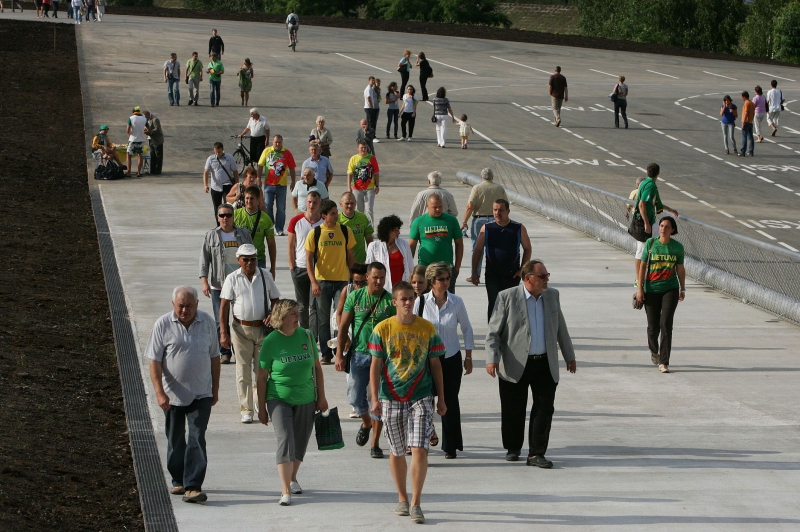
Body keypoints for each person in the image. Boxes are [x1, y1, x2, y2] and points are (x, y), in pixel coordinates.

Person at [368, 281, 446, 524]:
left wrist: (441, 397)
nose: (408, 302)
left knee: (420, 448)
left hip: (421, 396)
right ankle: (402, 497)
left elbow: (435, 364)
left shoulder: (428, 329)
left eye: (411, 298)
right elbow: (375, 365)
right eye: (403, 298)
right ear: (394, 302)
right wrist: (375, 398)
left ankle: (416, 502)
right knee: (397, 449)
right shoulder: (382, 329)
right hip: (391, 396)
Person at [486, 260, 577, 467]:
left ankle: (536, 453)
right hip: (516, 362)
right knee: (513, 409)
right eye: (542, 276)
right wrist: (492, 359)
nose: (546, 280)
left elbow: (560, 327)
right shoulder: (507, 297)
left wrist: (569, 356)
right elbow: (493, 332)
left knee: (544, 409)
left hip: (545, 362)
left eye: (547, 275)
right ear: (528, 279)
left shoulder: (552, 296)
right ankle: (513, 447)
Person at [145, 286, 220, 504]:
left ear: (197, 304)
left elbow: (215, 357)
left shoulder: (206, 323)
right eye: (180, 306)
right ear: (173, 305)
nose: (184, 310)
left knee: (197, 437)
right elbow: (154, 361)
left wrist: (215, 390)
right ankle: (178, 478)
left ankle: (193, 486)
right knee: (175, 440)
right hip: (172, 396)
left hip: (201, 393)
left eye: (189, 306)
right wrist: (159, 392)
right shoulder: (163, 324)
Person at [257, 299, 328, 506]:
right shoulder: (270, 341)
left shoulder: (306, 335)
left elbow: (317, 368)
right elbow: (261, 377)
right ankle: (285, 490)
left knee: (301, 441)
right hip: (278, 397)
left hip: (306, 397)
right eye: (293, 314)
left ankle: (293, 477)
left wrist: (321, 397)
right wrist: (261, 408)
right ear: (281, 318)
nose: (297, 317)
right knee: (285, 438)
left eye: (298, 312)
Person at [335, 262, 395, 458]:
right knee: (354, 396)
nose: (379, 281)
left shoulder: (389, 301)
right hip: (359, 354)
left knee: (378, 400)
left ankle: (375, 444)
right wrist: (339, 354)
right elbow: (343, 326)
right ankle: (367, 422)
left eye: (382, 278)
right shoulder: (355, 297)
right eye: (375, 277)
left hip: (382, 358)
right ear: (367, 277)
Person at [416, 263, 474, 459]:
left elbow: (467, 330)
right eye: (441, 279)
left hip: (450, 358)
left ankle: (451, 446)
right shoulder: (421, 302)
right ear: (432, 281)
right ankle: (422, 441)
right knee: (424, 401)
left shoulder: (456, 302)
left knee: (449, 400)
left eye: (448, 278)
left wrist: (469, 357)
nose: (446, 282)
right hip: (426, 359)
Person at [219, 244, 280, 423]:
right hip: (240, 330)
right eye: (245, 259)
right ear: (239, 260)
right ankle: (246, 409)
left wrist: (272, 314)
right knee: (243, 370)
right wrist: (223, 333)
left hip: (262, 330)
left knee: (261, 370)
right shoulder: (232, 278)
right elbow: (223, 306)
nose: (249, 262)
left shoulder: (265, 275)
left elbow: (275, 299)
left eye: (252, 259)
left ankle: (259, 404)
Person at [200, 203, 254, 364]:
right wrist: (204, 281)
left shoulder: (243, 234)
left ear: (233, 217)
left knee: (241, 317)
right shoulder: (211, 236)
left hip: (240, 283)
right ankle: (224, 351)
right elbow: (204, 259)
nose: (225, 218)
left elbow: (252, 257)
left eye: (228, 215)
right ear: (217, 217)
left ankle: (241, 350)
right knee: (220, 320)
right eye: (222, 215)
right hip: (219, 284)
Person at [305, 199, 356, 364]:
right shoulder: (315, 233)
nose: (336, 216)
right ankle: (326, 353)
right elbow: (308, 259)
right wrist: (313, 282)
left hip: (342, 281)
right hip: (322, 281)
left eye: (336, 213)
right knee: (323, 319)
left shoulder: (345, 231)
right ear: (324, 215)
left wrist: (354, 278)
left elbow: (350, 256)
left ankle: (339, 349)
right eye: (333, 213)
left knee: (339, 317)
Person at [635, 216, 686, 374]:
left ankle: (664, 362)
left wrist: (682, 288)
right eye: (661, 225)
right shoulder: (651, 244)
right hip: (651, 289)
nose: (663, 229)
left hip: (670, 288)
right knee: (653, 327)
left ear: (672, 230)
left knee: (666, 325)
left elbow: (680, 269)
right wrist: (640, 288)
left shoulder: (677, 247)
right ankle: (654, 351)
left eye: (667, 227)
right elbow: (643, 266)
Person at [467, 199, 532, 321]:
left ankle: (509, 334)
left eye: (501, 210)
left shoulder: (518, 228)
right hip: (492, 275)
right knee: (494, 304)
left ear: (508, 211)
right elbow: (477, 251)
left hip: (512, 275)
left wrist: (522, 269)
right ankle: (493, 335)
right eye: (495, 210)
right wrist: (475, 272)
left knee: (511, 306)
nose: (497, 213)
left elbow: (527, 249)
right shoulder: (486, 228)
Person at [409, 194, 463, 294]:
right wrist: (409, 267)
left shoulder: (451, 220)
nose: (438, 209)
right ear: (427, 206)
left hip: (446, 269)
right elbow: (411, 246)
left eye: (440, 206)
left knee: (447, 300)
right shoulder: (418, 222)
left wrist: (457, 268)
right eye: (435, 207)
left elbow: (459, 243)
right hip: (425, 269)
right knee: (424, 301)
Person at [460, 167, 508, 279]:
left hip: (479, 220)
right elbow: (505, 205)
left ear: (481, 177)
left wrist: (464, 221)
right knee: (495, 249)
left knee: (477, 248)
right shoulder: (499, 188)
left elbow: (470, 206)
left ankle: (475, 274)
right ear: (492, 177)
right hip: (495, 220)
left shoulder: (477, 188)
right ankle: (496, 274)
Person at [636, 163, 679, 283]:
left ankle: (642, 278)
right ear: (658, 173)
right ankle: (641, 279)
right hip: (647, 221)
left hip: (645, 221)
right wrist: (646, 223)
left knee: (644, 249)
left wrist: (670, 210)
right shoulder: (650, 186)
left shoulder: (644, 183)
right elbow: (642, 204)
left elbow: (656, 204)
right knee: (643, 250)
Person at [288, 192, 323, 333]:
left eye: (315, 202)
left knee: (314, 305)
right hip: (300, 268)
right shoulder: (296, 221)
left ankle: (313, 337)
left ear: (319, 204)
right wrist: (292, 267)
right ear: (305, 202)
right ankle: (303, 332)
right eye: (309, 202)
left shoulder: (324, 222)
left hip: (318, 270)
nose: (311, 205)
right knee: (301, 305)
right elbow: (291, 245)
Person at [258, 135, 296, 236]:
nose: (277, 144)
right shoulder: (267, 151)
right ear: (272, 142)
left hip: (281, 185)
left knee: (281, 208)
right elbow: (260, 165)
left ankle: (279, 228)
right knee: (267, 206)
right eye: (276, 142)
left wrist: (293, 181)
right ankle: (270, 226)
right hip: (268, 184)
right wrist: (258, 178)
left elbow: (292, 168)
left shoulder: (287, 153)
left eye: (279, 142)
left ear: (282, 142)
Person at [233, 186, 276, 275]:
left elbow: (271, 244)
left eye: (252, 198)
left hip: (258, 259)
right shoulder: (235, 215)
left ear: (258, 200)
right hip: (239, 259)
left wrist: (273, 268)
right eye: (247, 198)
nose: (249, 201)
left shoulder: (266, 219)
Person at [366, 215, 414, 288]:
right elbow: (369, 269)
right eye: (395, 230)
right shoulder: (373, 246)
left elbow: (410, 266)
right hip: (382, 287)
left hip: (402, 286)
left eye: (398, 229)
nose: (398, 232)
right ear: (387, 231)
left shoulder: (404, 244)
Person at [203, 142, 239, 222]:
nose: (217, 154)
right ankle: (219, 226)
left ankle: (229, 224)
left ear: (222, 150)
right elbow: (206, 172)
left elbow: (235, 172)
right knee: (217, 208)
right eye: (216, 152)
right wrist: (205, 185)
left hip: (227, 186)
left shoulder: (229, 158)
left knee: (228, 207)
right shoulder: (211, 159)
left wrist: (237, 186)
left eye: (219, 151)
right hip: (215, 187)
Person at [347, 140, 380, 225]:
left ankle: (370, 228)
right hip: (357, 188)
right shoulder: (353, 159)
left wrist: (377, 185)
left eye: (365, 148)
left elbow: (376, 173)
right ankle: (360, 227)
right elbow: (350, 173)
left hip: (369, 188)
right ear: (358, 148)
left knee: (369, 209)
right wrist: (349, 187)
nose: (364, 149)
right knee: (359, 210)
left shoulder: (372, 158)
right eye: (362, 148)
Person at [339, 191, 374, 263]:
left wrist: (371, 258)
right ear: (341, 204)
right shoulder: (337, 219)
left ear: (355, 203)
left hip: (360, 261)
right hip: (343, 263)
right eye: (347, 203)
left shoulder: (362, 217)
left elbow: (369, 239)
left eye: (352, 203)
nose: (350, 206)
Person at [125, 106, 147, 177]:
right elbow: (148, 129)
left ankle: (129, 172)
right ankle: (138, 172)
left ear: (133, 112)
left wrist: (129, 136)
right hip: (141, 139)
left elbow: (127, 130)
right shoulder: (144, 119)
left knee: (129, 155)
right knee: (139, 155)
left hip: (133, 139)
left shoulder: (131, 118)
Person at [143, 110, 164, 175]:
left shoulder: (155, 119)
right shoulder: (146, 120)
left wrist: (149, 132)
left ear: (147, 116)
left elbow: (157, 130)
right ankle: (152, 170)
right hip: (151, 140)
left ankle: (158, 170)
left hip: (157, 140)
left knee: (158, 155)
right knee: (152, 155)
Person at [739, 91, 755, 157]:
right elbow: (753, 112)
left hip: (746, 122)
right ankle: (751, 151)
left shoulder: (746, 103)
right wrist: (751, 119)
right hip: (750, 122)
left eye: (742, 97)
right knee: (751, 137)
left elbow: (746, 113)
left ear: (744, 97)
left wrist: (743, 123)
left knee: (744, 137)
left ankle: (743, 151)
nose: (742, 98)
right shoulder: (752, 103)